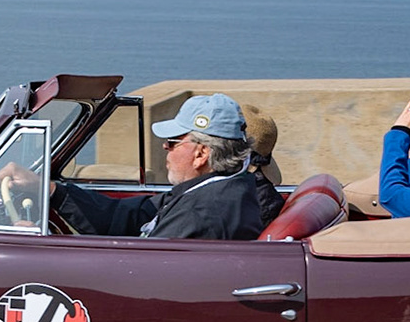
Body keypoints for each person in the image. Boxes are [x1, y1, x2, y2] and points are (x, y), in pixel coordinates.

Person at [40, 93, 269, 240]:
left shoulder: (199, 213)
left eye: (172, 142)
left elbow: (142, 269)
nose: (164, 147)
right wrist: (54, 193)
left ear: (201, 154)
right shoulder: (218, 188)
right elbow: (132, 215)